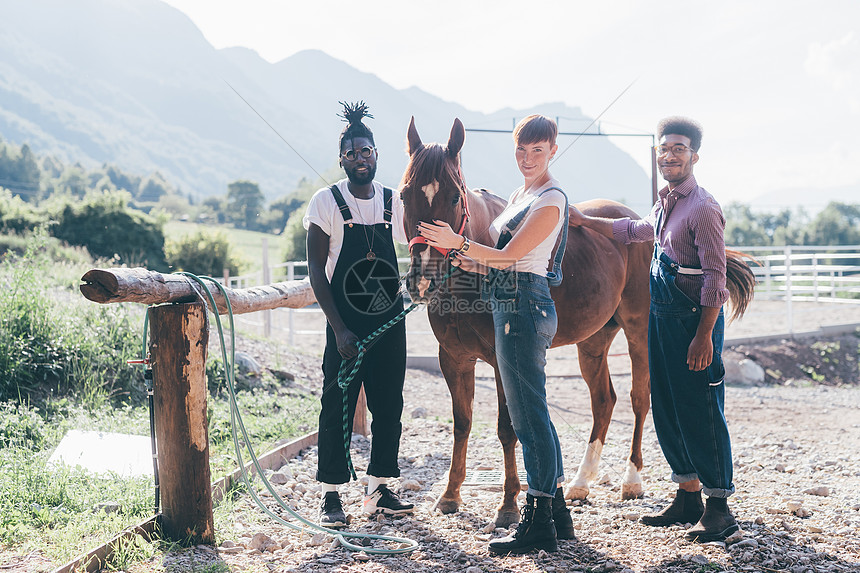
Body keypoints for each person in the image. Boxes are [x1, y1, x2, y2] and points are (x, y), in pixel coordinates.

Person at [568, 116, 738, 542]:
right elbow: (633, 230)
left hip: (691, 320)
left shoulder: (702, 207)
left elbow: (716, 280)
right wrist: (585, 222)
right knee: (666, 406)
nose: (670, 155)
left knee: (700, 408)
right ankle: (687, 495)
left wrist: (704, 336)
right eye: (664, 148)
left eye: (679, 148)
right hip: (662, 314)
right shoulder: (667, 203)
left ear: (694, 155)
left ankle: (719, 509)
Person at [419, 114, 574, 554]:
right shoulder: (520, 194)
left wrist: (459, 245)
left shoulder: (550, 199)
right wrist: (470, 262)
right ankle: (557, 514)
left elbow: (512, 257)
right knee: (534, 413)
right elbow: (497, 260)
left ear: (552, 151)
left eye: (537, 151)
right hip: (508, 301)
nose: (527, 159)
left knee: (527, 419)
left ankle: (538, 519)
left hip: (524, 303)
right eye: (521, 150)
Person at [304, 101, 414, 528]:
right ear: (341, 160)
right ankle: (331, 495)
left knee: (390, 405)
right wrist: (340, 329)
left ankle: (380, 488)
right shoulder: (326, 202)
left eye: (365, 151)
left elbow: (419, 245)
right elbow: (316, 269)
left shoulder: (394, 202)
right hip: (345, 321)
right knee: (336, 404)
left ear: (375, 153)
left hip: (390, 320)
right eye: (350, 154)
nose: (359, 159)